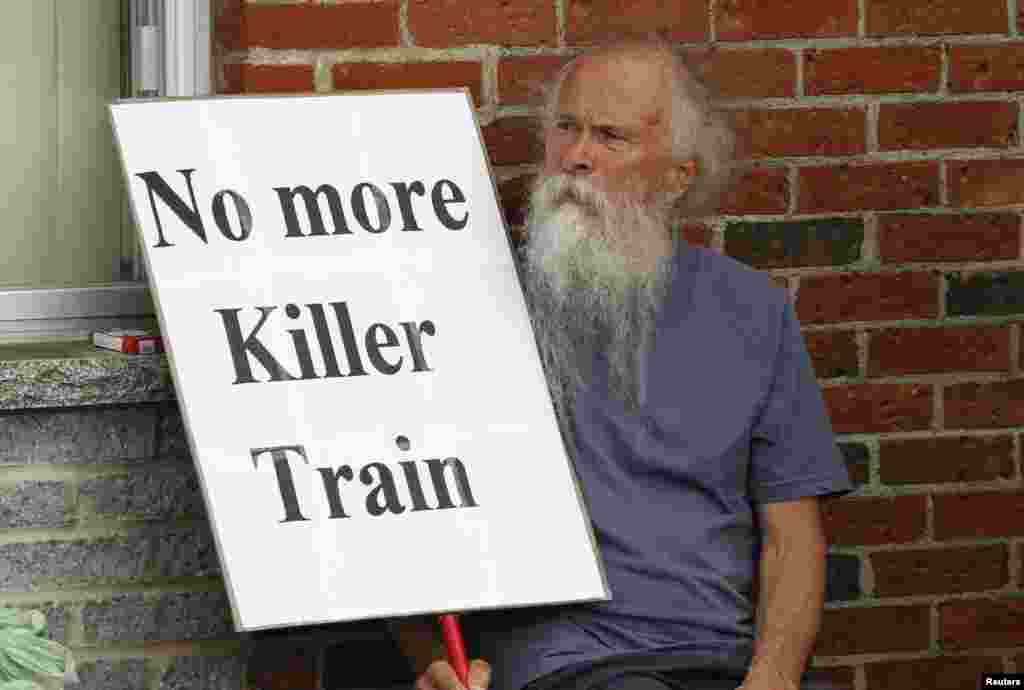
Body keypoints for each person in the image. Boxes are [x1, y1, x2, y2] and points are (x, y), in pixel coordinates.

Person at [390, 39, 852, 690]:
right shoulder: (466, 303)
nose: (576, 156)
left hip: (719, 658)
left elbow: (792, 538)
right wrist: (437, 663)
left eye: (611, 137)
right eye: (566, 128)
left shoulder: (752, 310)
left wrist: (771, 678)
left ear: (677, 176)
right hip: (564, 667)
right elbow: (389, 512)